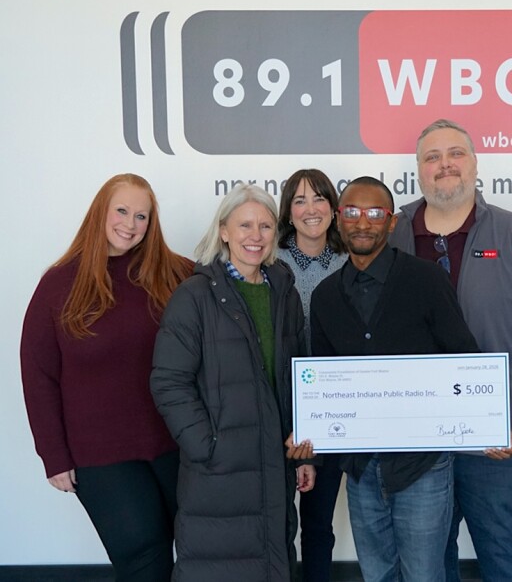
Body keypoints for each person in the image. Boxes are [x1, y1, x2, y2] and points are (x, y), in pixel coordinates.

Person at [389, 119, 512, 582]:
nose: (445, 164)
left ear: (474, 164)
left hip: (497, 434)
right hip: (417, 437)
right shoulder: (393, 233)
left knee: (504, 555)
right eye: (432, 157)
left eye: (456, 154)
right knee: (427, 563)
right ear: (418, 169)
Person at [20, 173, 193, 581]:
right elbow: (38, 375)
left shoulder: (178, 275)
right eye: (122, 211)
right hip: (101, 454)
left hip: (175, 444)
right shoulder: (59, 284)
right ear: (101, 211)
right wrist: (53, 455)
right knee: (144, 560)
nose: (130, 224)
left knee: (197, 552)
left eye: (141, 216)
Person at [307, 176, 480, 581]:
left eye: (374, 213)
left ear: (391, 222)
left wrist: (483, 425)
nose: (362, 222)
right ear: (338, 219)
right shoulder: (326, 296)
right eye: (352, 212)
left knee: (424, 575)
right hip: (361, 469)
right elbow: (322, 381)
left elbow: (463, 360)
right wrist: (311, 436)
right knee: (377, 574)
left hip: (422, 466)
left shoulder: (427, 280)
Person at [150, 184, 314, 582]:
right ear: (224, 231)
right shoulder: (194, 296)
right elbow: (169, 381)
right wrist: (206, 445)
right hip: (218, 471)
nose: (255, 236)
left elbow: (299, 375)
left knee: (273, 563)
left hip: (276, 464)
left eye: (265, 226)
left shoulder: (284, 294)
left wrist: (305, 451)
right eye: (244, 225)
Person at [277, 169, 347, 582]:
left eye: (319, 198)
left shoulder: (350, 260)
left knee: (318, 525)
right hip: (278, 408)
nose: (310, 209)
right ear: (288, 212)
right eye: (300, 200)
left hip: (332, 409)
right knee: (278, 525)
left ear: (334, 208)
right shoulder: (268, 259)